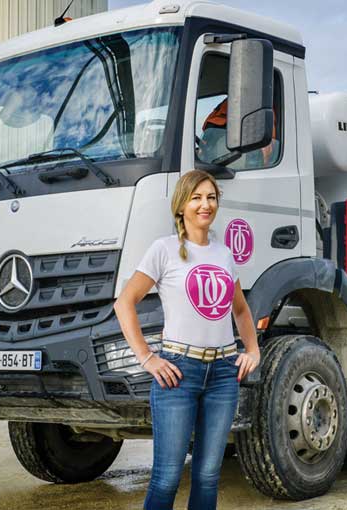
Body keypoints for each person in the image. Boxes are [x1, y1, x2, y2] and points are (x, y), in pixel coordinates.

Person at [113, 169, 260, 510]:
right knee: (166, 477)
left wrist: (252, 350)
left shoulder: (224, 254)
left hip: (224, 374)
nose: (204, 204)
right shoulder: (163, 250)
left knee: (208, 475)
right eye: (196, 198)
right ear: (181, 206)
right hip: (179, 372)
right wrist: (148, 358)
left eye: (210, 197)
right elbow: (124, 303)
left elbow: (240, 310)